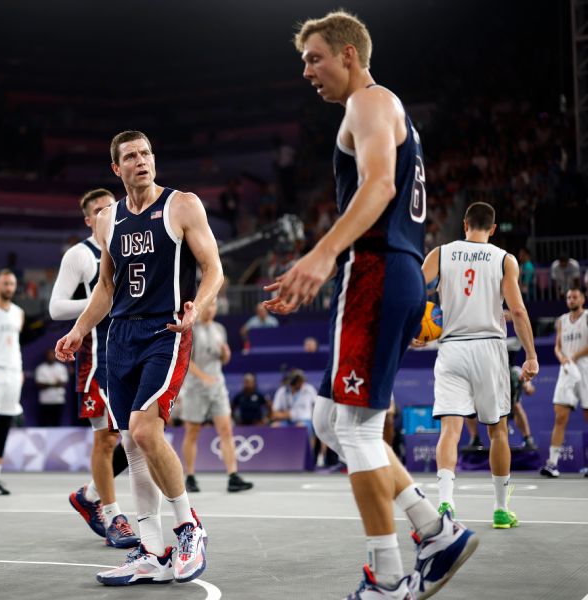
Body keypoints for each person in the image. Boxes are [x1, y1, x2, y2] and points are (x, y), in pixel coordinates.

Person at [264, 12, 478, 599]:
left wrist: (322, 255)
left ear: (350, 54)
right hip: (392, 273)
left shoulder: (370, 102)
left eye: (315, 58)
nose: (307, 70)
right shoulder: (380, 107)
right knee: (328, 421)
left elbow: (380, 185)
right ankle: (434, 531)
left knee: (355, 429)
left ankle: (387, 578)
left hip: (377, 270)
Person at [55, 130, 223, 585]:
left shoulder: (182, 205)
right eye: (130, 156)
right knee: (130, 444)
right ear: (117, 168)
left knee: (145, 430)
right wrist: (78, 330)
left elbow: (213, 269)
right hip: (119, 338)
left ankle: (189, 527)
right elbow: (106, 287)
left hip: (165, 330)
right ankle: (151, 549)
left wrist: (199, 306)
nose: (141, 161)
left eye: (147, 153)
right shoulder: (109, 219)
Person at [421, 202, 539, 528]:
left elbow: (414, 295)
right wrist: (530, 355)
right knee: (498, 430)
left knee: (450, 429)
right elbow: (517, 311)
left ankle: (445, 503)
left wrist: (413, 333)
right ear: (494, 228)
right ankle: (501, 509)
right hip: (489, 348)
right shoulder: (505, 259)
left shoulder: (441, 254)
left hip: (452, 348)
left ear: (464, 224)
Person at [50, 187, 139, 549]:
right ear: (89, 219)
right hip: (95, 357)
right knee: (106, 439)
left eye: (110, 207)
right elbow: (56, 308)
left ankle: (88, 495)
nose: (106, 213)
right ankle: (114, 514)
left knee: (140, 438)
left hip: (131, 350)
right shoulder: (80, 255)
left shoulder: (130, 243)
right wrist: (103, 296)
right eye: (98, 210)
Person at [177, 297, 253, 493]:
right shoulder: (191, 329)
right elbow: (186, 362)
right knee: (192, 432)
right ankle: (190, 476)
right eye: (207, 305)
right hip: (195, 388)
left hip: (217, 387)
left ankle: (233, 476)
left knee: (226, 431)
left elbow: (222, 359)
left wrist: (226, 354)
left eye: (213, 305)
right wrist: (204, 377)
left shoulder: (220, 329)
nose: (210, 309)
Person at [540, 287, 588, 477]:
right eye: (568, 297)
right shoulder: (561, 320)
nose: (571, 300)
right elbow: (558, 346)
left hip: (584, 368)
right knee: (560, 416)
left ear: (582, 299)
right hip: (566, 369)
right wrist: (562, 358)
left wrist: (574, 356)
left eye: (574, 297)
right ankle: (552, 463)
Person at [0, 270, 23, 495]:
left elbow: (15, 344)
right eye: (6, 283)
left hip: (13, 374)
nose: (9, 287)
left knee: (4, 426)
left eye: (12, 284)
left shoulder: (18, 313)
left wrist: (19, 370)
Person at [35, 349, 69, 427]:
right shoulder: (41, 368)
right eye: (48, 355)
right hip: (45, 401)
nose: (50, 357)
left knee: (56, 424)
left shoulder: (61, 368)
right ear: (46, 357)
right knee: (43, 424)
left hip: (58, 400)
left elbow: (63, 383)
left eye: (52, 355)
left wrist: (47, 383)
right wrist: (55, 384)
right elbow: (39, 385)